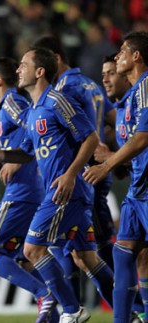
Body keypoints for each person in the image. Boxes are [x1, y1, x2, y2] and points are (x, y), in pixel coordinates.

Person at [0, 47, 111, 322]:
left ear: (40, 72)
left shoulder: (56, 101)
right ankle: (135, 310)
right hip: (62, 190)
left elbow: (90, 139)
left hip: (66, 190)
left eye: (23, 64)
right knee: (87, 258)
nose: (18, 69)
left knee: (31, 250)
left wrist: (71, 173)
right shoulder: (36, 110)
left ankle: (71, 311)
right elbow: (26, 152)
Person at [33, 35, 117, 301]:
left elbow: (85, 133)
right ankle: (128, 308)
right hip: (98, 173)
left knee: (69, 250)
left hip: (81, 175)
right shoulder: (91, 84)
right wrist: (114, 155)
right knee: (88, 253)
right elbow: (111, 120)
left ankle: (73, 308)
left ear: (54, 59)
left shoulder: (63, 91)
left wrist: (76, 168)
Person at [0, 57, 58, 323]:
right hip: (29, 191)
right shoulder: (4, 108)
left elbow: (33, 127)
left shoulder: (12, 100)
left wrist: (15, 156)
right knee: (23, 258)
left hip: (21, 194)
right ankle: (52, 314)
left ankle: (46, 293)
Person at [83, 31, 148, 323]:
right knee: (123, 256)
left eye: (122, 51)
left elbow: (144, 137)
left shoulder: (146, 85)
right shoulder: (125, 104)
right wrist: (111, 158)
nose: (118, 55)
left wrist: (106, 165)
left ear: (136, 57)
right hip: (137, 192)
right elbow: (132, 153)